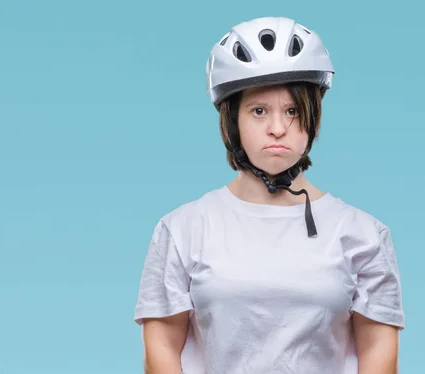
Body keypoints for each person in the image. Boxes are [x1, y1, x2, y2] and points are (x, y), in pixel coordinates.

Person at [133, 16, 405, 374]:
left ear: (314, 117)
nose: (278, 128)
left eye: (292, 111)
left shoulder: (365, 234)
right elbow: (161, 353)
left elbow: (379, 359)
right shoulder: (182, 229)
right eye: (258, 111)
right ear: (232, 121)